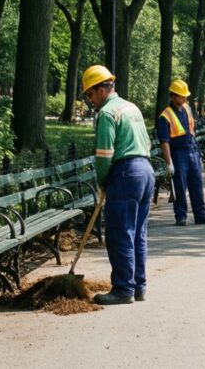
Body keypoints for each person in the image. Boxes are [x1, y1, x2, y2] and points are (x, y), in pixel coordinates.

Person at [82, 64, 154, 305]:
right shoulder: (131, 108)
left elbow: (103, 155)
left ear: (101, 89)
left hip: (125, 174)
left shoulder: (106, 113)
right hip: (145, 170)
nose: (90, 100)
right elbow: (147, 143)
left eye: (90, 94)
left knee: (119, 232)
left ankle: (123, 289)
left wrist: (102, 181)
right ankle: (139, 287)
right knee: (138, 233)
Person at [157, 79, 205, 226]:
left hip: (192, 151)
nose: (185, 98)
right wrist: (168, 162)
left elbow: (191, 131)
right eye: (182, 96)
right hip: (178, 154)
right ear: (173, 96)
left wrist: (198, 153)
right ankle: (181, 215)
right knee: (180, 185)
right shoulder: (165, 116)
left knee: (197, 184)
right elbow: (165, 141)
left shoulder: (187, 109)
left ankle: (200, 214)